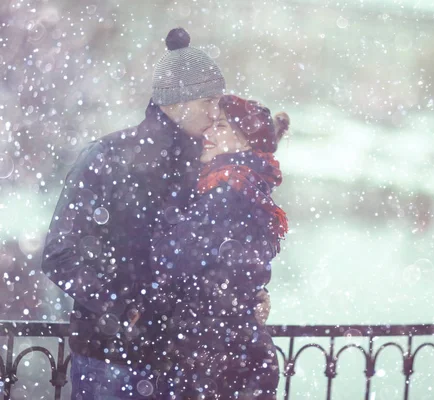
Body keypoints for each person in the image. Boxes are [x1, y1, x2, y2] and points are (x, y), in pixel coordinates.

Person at [40, 28, 269, 399]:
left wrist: (246, 296)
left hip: (184, 367)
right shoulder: (107, 156)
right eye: (208, 102)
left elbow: (212, 255)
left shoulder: (208, 168)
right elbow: (59, 255)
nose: (216, 114)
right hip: (110, 362)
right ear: (177, 101)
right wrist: (122, 310)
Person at [148, 94, 290, 399]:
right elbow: (240, 271)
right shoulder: (249, 187)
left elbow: (170, 259)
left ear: (245, 142)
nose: (208, 133)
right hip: (237, 352)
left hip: (212, 359)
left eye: (221, 126)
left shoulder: (226, 193)